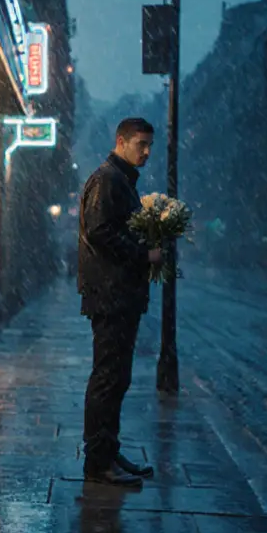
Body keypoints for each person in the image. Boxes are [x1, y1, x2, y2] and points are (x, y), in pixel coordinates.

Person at [76, 117, 162, 488]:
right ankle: (98, 462)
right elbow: (100, 232)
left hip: (118, 295)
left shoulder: (119, 179)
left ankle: (107, 451)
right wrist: (144, 254)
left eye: (149, 146)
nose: (146, 152)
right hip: (111, 296)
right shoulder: (109, 180)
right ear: (121, 141)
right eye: (140, 144)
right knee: (109, 378)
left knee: (116, 377)